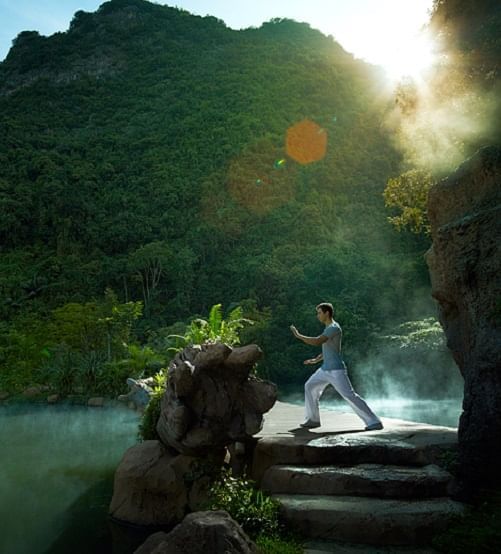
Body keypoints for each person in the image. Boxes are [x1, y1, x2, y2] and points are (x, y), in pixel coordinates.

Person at [290, 302, 383, 431]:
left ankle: (374, 422)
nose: (317, 316)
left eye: (319, 313)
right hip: (325, 369)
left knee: (349, 395)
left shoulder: (334, 327)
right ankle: (313, 420)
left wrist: (298, 336)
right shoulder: (328, 328)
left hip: (336, 370)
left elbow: (318, 341)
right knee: (310, 386)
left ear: (327, 313)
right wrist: (316, 360)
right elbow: (330, 349)